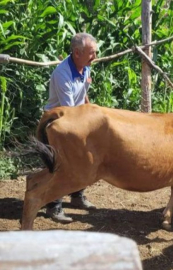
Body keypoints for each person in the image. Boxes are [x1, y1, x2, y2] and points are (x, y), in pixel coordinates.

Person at [44, 33, 98, 223]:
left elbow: (83, 96)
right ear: (77, 52)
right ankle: (53, 206)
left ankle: (77, 196)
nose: (95, 57)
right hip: (58, 123)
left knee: (84, 159)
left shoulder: (85, 68)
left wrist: (92, 111)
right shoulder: (62, 74)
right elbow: (68, 109)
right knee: (61, 163)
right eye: (92, 53)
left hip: (76, 119)